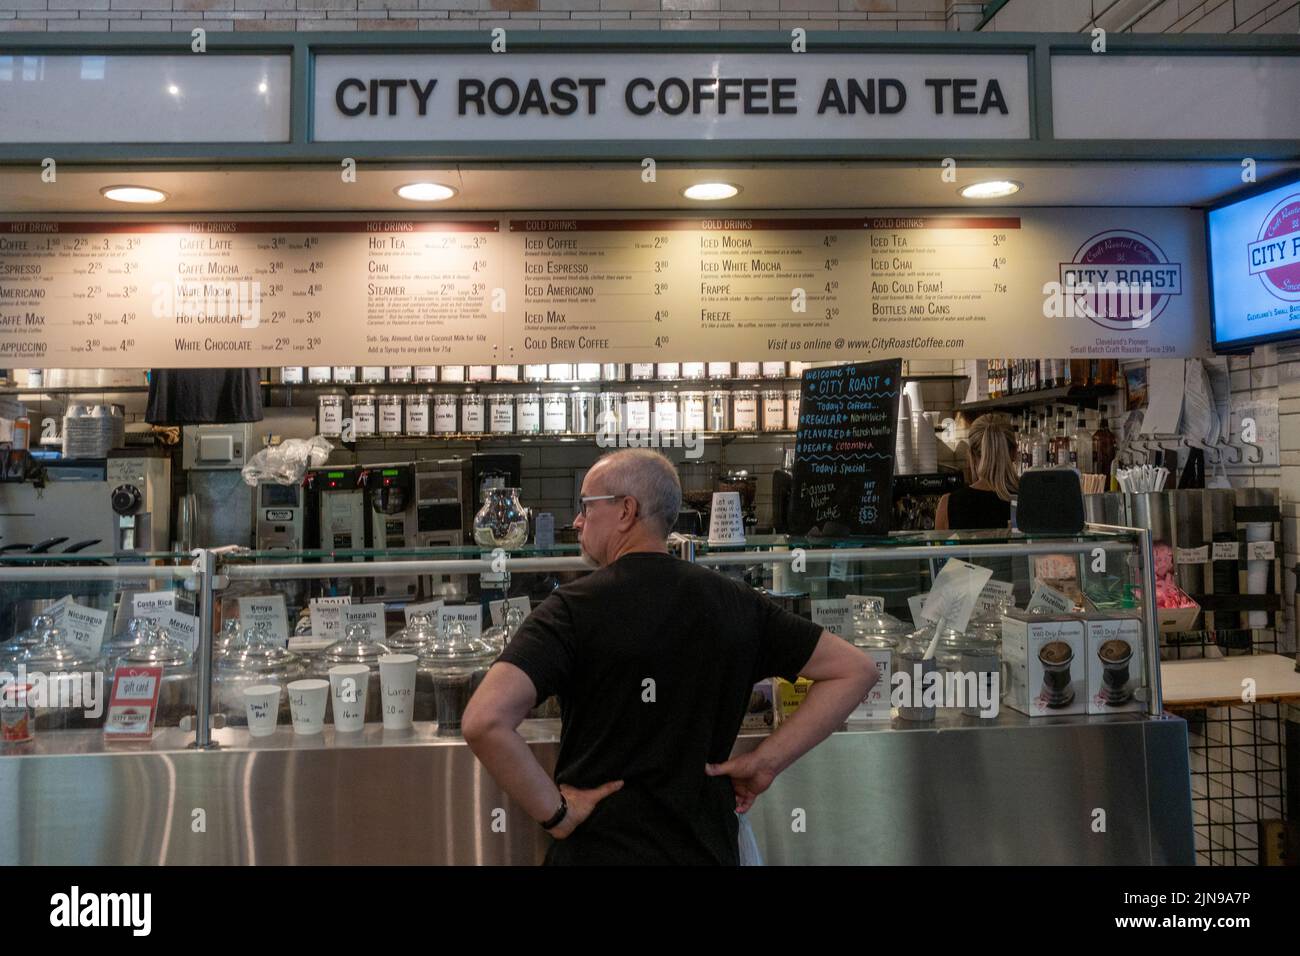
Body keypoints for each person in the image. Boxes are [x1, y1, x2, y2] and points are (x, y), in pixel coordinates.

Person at [463, 448, 877, 865]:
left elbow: (485, 720)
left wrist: (556, 813)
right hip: (703, 851)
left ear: (626, 511)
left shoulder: (570, 609)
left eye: (586, 507)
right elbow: (855, 670)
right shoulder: (736, 602)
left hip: (599, 851)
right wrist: (767, 762)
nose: (577, 521)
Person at [936, 413, 1018, 531]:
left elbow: (939, 549)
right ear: (1015, 452)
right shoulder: (1031, 499)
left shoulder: (948, 504)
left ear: (972, 456)